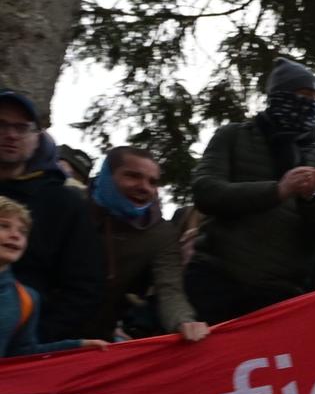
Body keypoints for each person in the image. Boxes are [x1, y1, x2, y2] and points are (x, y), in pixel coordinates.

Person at [186, 57, 315, 323]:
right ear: (279, 94)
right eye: (303, 95)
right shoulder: (233, 136)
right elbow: (205, 191)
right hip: (213, 279)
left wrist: (313, 199)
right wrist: (277, 191)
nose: (310, 104)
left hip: (278, 295)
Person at [0, 88, 107, 340]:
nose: (11, 134)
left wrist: (31, 341)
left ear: (37, 138)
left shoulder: (64, 203)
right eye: (1, 124)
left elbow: (84, 288)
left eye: (22, 127)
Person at [87, 145, 194, 340]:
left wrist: (183, 321)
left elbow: (169, 289)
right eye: (133, 176)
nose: (144, 187)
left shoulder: (161, 234)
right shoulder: (71, 207)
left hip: (97, 338)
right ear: (107, 175)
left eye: (152, 182)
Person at [0, 197, 109, 357]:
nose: (16, 235)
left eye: (23, 232)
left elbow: (22, 354)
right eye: (4, 226)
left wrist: (78, 346)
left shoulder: (25, 299)